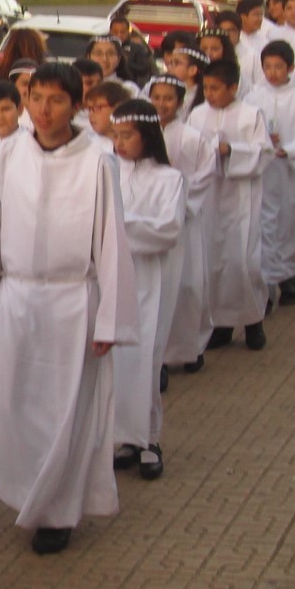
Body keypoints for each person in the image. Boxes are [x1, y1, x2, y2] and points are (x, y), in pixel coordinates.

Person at [0, 61, 137, 555]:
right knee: (13, 402)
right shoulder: (5, 156)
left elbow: (112, 241)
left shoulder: (98, 161)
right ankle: (25, 492)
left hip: (71, 300)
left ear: (76, 105)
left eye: (56, 100)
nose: (43, 109)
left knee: (65, 406)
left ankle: (58, 511)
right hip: (17, 296)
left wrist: (110, 318)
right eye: (36, 98)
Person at [108, 100, 185, 482]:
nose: (119, 143)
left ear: (148, 136)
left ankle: (149, 439)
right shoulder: (107, 173)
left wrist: (118, 226)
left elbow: (167, 229)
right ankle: (124, 436)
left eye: (127, 136)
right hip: (111, 277)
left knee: (145, 358)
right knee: (116, 359)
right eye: (115, 135)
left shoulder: (169, 179)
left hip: (149, 278)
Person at [187, 57, 270, 351]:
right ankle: (220, 324)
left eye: (216, 88)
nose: (209, 94)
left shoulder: (251, 114)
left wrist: (231, 150)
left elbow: (263, 151)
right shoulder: (197, 115)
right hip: (209, 197)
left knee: (243, 262)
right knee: (214, 262)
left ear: (233, 87)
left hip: (240, 197)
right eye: (206, 88)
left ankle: (253, 321)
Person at [244, 40, 295, 308]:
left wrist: (290, 149)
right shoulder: (254, 96)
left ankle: (289, 278)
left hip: (294, 172)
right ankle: (266, 285)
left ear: (290, 67)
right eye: (267, 67)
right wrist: (264, 138)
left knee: (292, 224)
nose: (273, 72)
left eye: (279, 67)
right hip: (266, 173)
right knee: (265, 226)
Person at [150, 76, 215, 373]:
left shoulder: (192, 137)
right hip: (152, 222)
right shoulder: (143, 134)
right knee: (158, 289)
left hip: (183, 221)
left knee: (187, 285)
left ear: (179, 102)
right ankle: (159, 354)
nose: (161, 104)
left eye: (168, 98)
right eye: (156, 97)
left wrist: (180, 202)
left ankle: (190, 346)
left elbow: (204, 173)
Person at [81, 80, 130, 148]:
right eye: (89, 109)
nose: (91, 114)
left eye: (97, 108)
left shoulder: (135, 145)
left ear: (118, 108)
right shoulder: (86, 144)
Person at [109, 14, 157, 84]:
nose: (119, 35)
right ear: (110, 32)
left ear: (128, 31)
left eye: (122, 32)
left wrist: (127, 62)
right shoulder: (103, 47)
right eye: (115, 32)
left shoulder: (137, 48)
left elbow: (144, 69)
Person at [234, 0, 269, 88]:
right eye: (255, 15)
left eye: (261, 15)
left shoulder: (266, 43)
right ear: (243, 17)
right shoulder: (235, 41)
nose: (260, 19)